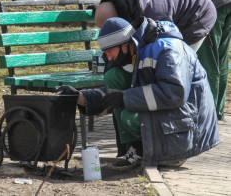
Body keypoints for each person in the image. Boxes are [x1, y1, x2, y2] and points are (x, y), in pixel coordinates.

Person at [58, 17, 220, 168]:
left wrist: (125, 98)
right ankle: (136, 149)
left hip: (189, 127)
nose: (108, 58)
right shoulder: (138, 51)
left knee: (130, 117)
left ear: (124, 45)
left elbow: (174, 93)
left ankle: (174, 154)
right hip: (175, 116)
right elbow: (115, 97)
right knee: (114, 77)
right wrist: (81, 97)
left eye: (109, 52)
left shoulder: (168, 49)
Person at [95, 0, 216, 52]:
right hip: (178, 4)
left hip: (199, 14)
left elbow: (164, 42)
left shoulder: (154, 15)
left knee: (178, 61)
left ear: (119, 19)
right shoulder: (125, 2)